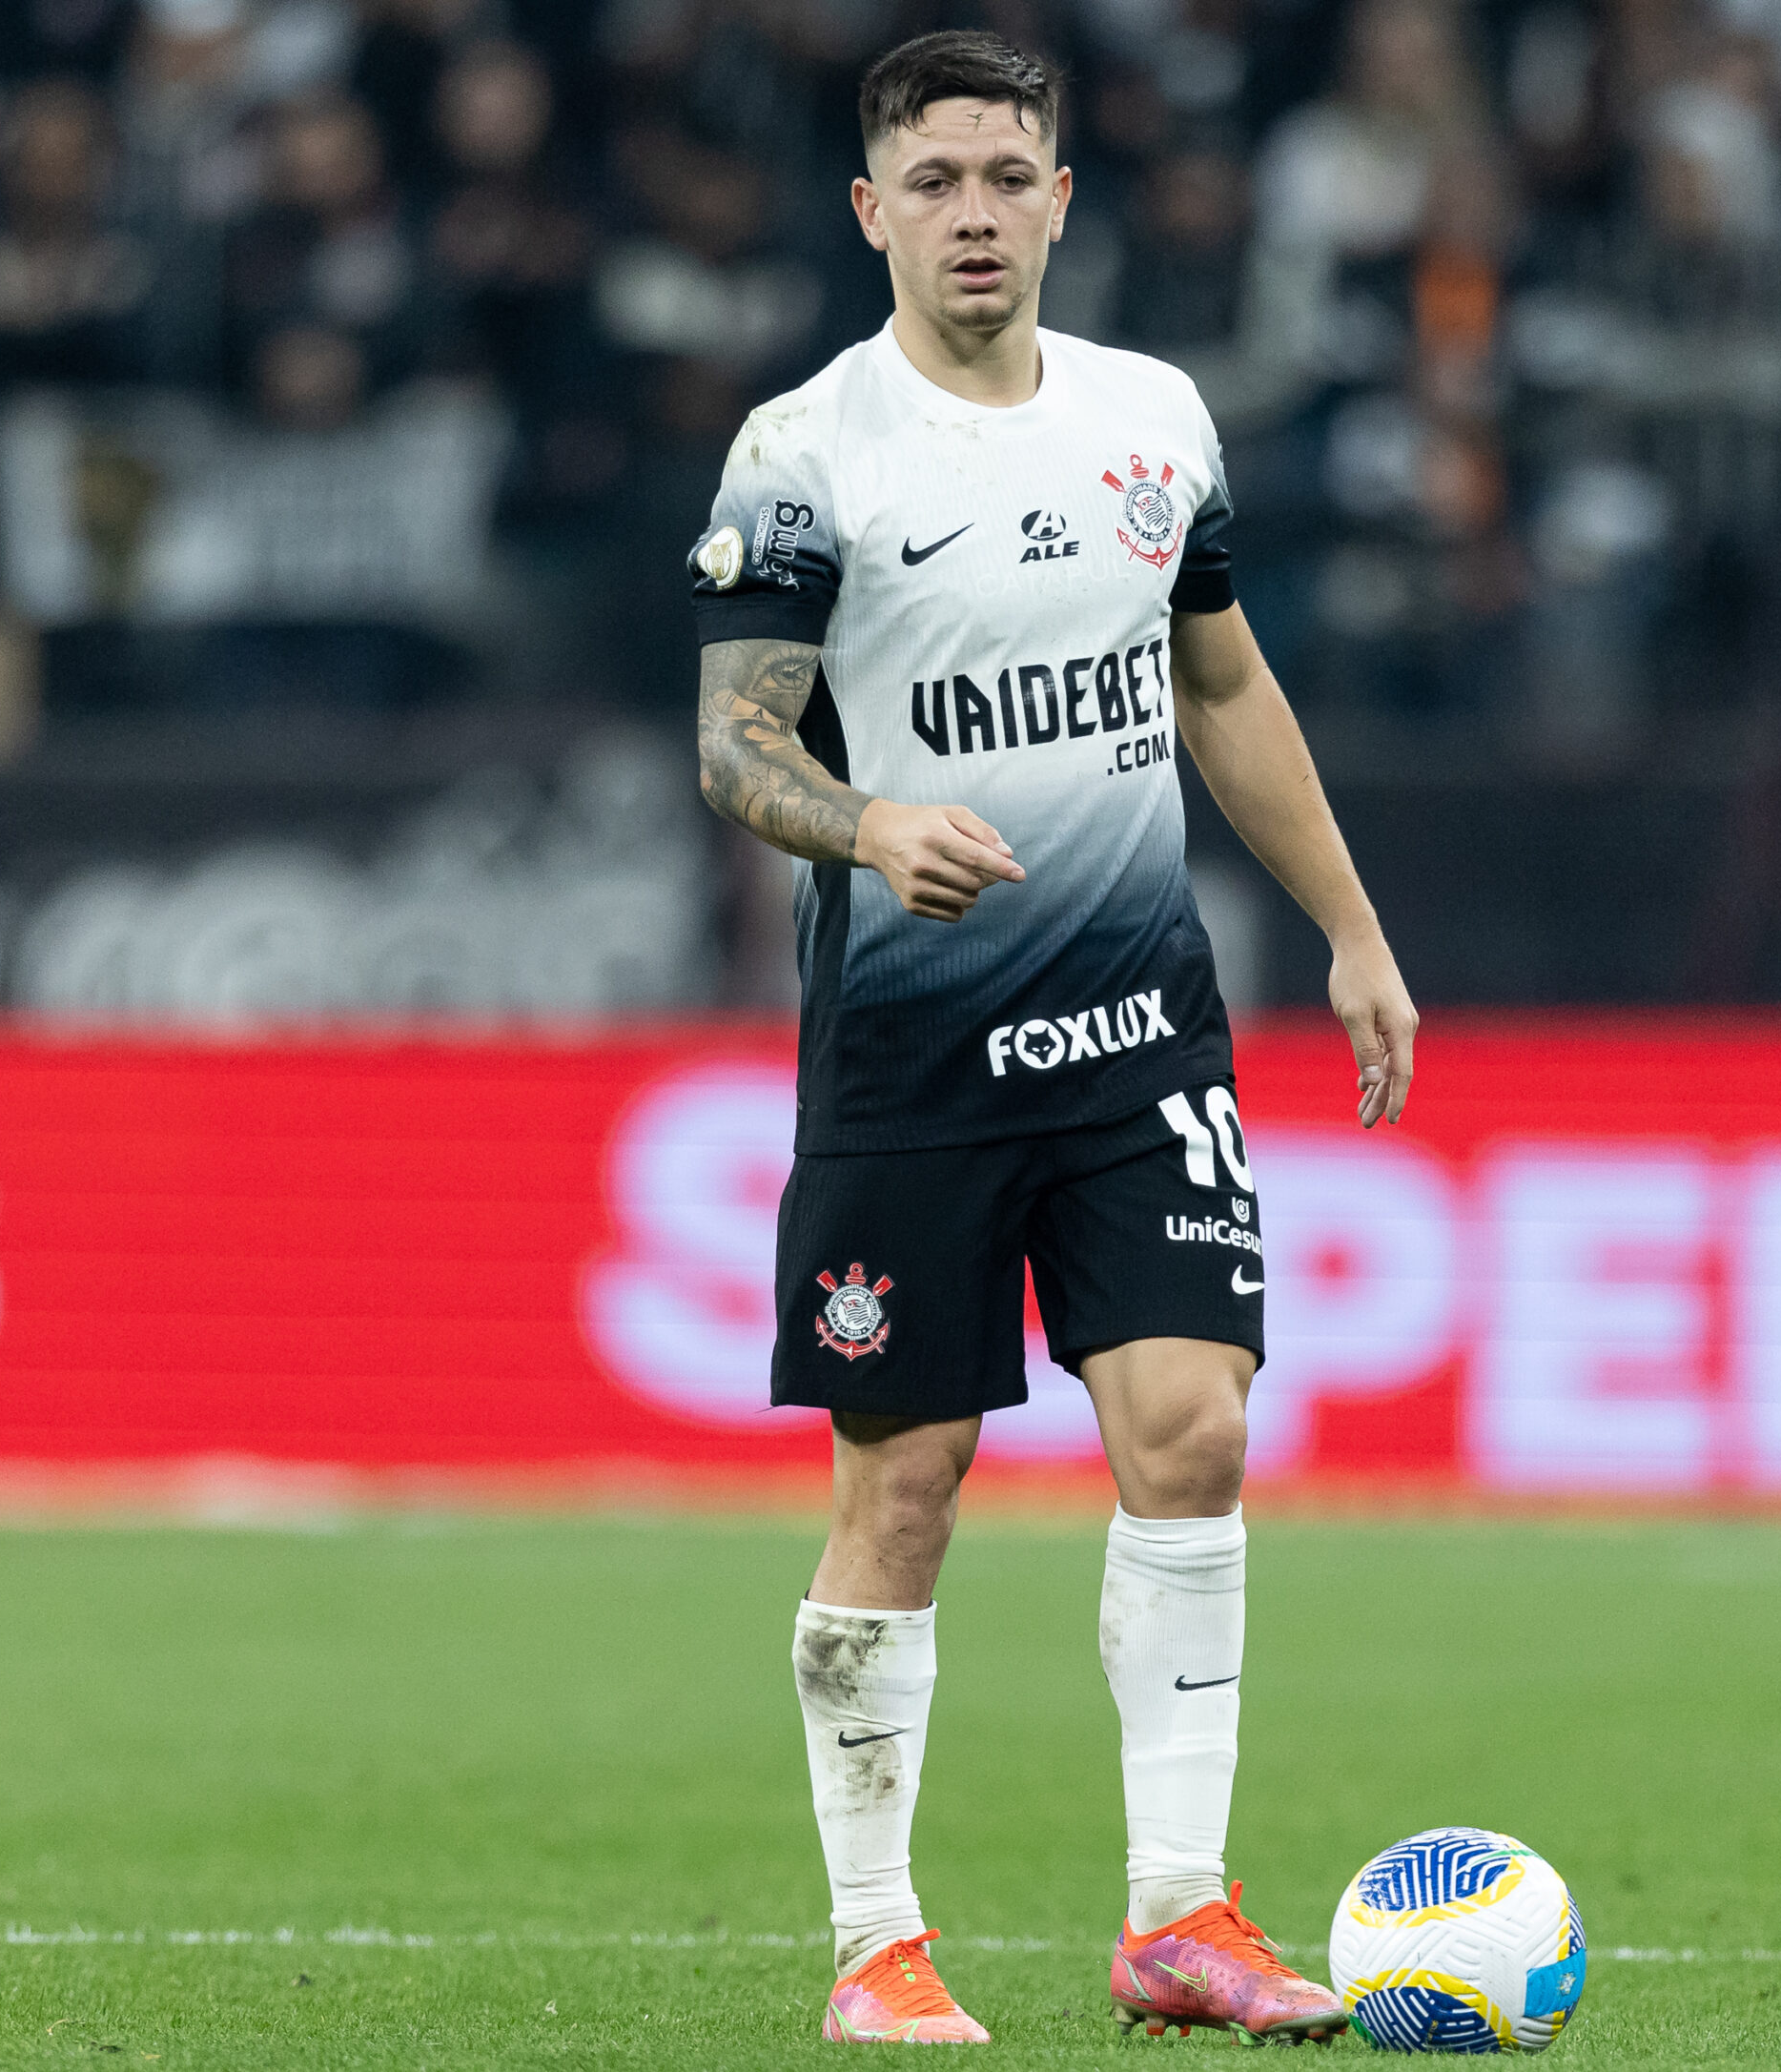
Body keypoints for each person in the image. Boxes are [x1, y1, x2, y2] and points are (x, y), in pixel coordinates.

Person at [687, 29, 1418, 2049]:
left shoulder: (1150, 420)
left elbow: (1225, 687)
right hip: (909, 1056)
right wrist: (869, 820)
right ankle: (872, 1944)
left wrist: (1349, 929)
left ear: (1060, 199)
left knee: (1189, 1428)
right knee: (904, 1480)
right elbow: (732, 743)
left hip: (1137, 1031)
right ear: (871, 212)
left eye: (1007, 176)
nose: (975, 214)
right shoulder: (805, 451)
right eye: (933, 183)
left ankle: (1177, 1914)